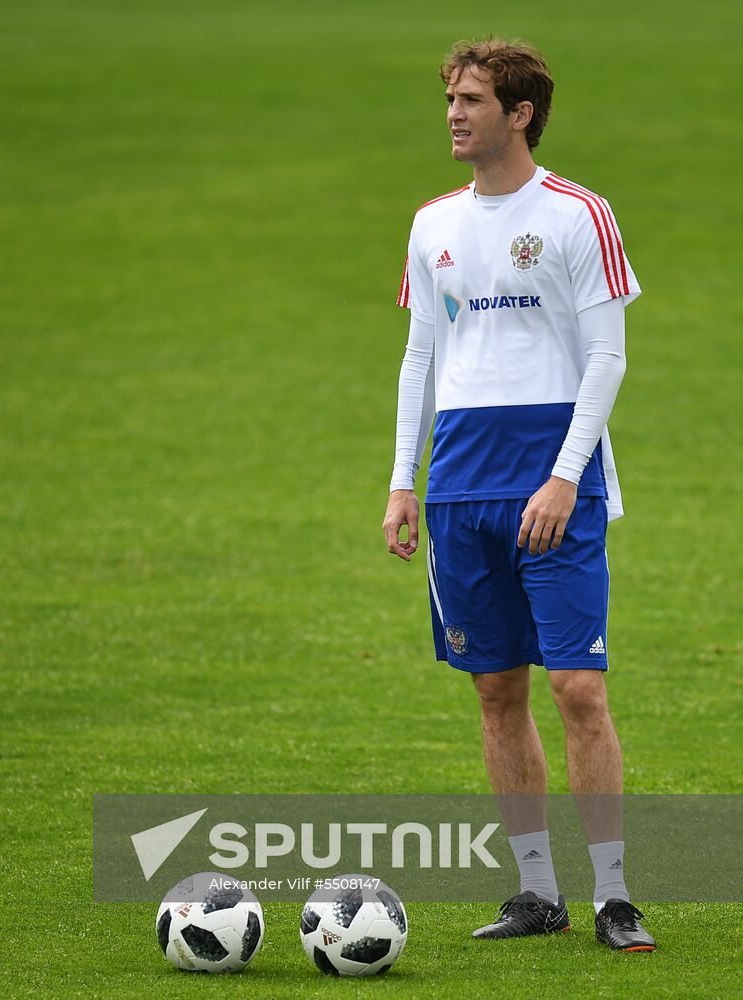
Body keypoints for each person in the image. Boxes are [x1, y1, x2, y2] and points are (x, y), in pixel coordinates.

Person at [382, 38, 655, 952]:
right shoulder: (431, 224)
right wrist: (401, 483)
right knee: (497, 690)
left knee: (579, 687)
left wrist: (567, 475)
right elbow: (422, 357)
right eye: (451, 99)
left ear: (520, 112)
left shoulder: (580, 214)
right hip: (461, 480)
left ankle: (616, 897)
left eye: (471, 99)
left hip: (552, 472)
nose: (455, 114)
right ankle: (538, 893)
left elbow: (609, 356)